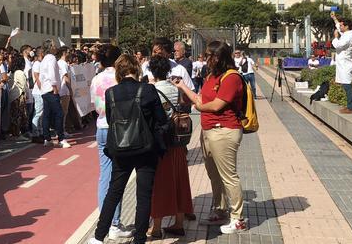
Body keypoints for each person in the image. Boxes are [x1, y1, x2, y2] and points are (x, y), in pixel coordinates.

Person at [87, 53, 169, 244]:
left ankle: (99, 236)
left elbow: (110, 120)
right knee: (143, 196)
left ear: (119, 71)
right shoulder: (148, 90)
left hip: (120, 149)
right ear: (136, 69)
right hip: (145, 149)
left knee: (114, 192)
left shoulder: (111, 93)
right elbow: (161, 119)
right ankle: (139, 239)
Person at [173, 41, 247, 234]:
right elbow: (200, 99)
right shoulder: (211, 76)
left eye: (208, 55)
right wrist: (182, 87)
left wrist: (198, 107)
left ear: (218, 57)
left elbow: (216, 105)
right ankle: (220, 209)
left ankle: (238, 218)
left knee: (228, 175)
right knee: (214, 174)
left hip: (224, 130)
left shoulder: (232, 78)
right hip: (208, 131)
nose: (205, 59)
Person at [88, 44, 132, 241]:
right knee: (119, 176)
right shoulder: (120, 78)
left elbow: (94, 105)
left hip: (101, 127)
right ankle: (115, 223)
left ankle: (106, 220)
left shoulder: (96, 78)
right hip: (119, 129)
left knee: (104, 176)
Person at [146, 55, 193, 238]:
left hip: (160, 142)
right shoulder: (175, 88)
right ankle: (179, 223)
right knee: (179, 179)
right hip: (177, 141)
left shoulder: (152, 90)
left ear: (152, 70)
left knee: (159, 182)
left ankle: (156, 227)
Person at [39, 43, 70, 148]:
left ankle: (47, 138)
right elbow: (52, 74)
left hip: (45, 90)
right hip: (51, 90)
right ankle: (61, 138)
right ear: (50, 47)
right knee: (59, 113)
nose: (55, 46)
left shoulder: (44, 60)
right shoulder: (51, 58)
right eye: (53, 45)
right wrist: (55, 87)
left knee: (47, 115)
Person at [331, 13, 352, 114]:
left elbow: (338, 45)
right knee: (345, 84)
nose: (340, 27)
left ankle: (351, 108)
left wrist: (336, 37)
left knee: (347, 85)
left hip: (346, 64)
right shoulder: (346, 34)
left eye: (342, 25)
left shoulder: (349, 36)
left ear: (347, 27)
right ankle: (349, 106)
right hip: (343, 64)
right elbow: (338, 26)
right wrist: (334, 18)